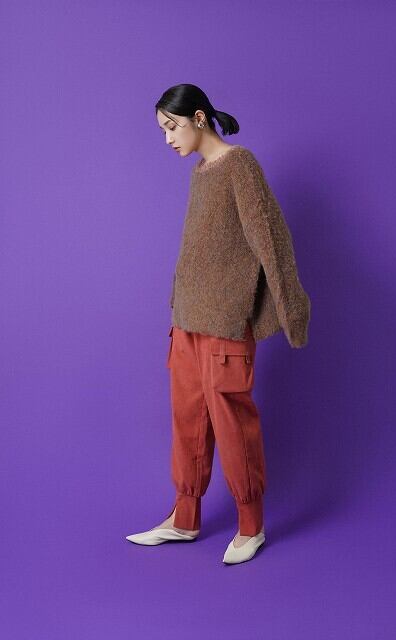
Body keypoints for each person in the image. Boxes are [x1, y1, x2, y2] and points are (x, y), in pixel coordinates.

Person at [125, 84, 311, 564]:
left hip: (226, 324)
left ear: (199, 118)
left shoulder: (240, 164)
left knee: (232, 423)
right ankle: (184, 518)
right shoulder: (201, 172)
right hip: (186, 321)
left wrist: (291, 310)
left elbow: (271, 240)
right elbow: (199, 250)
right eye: (162, 131)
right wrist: (176, 303)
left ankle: (252, 526)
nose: (168, 139)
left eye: (172, 127)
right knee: (187, 421)